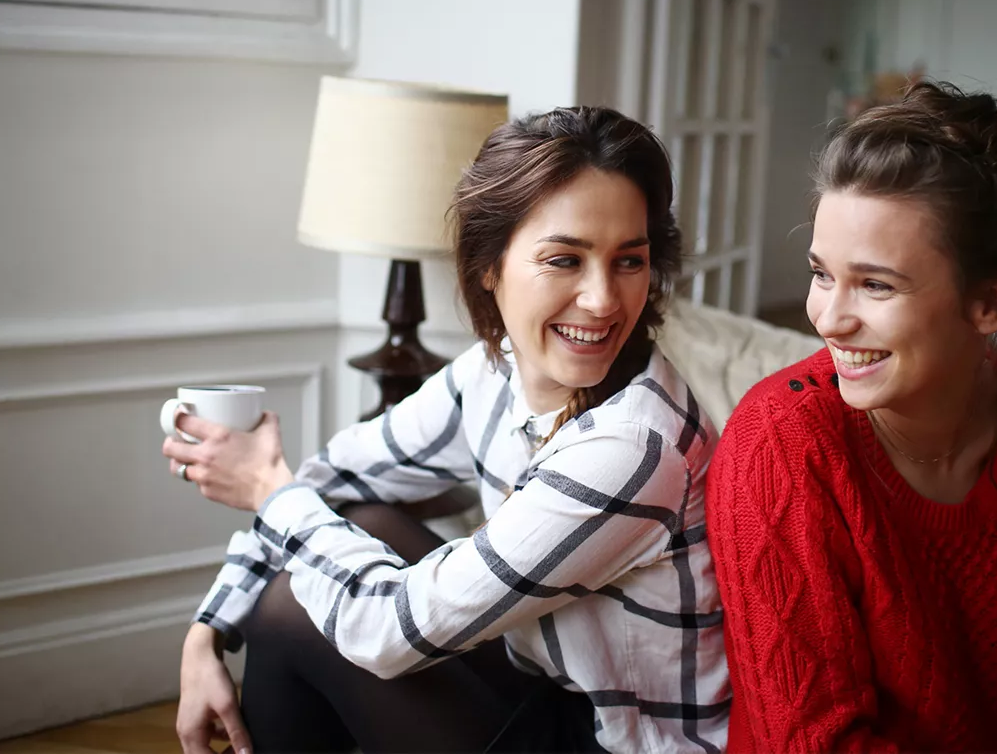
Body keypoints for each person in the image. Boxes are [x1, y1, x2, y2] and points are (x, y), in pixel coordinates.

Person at [163, 106, 729, 754]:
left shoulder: (634, 445)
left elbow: (388, 629)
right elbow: (333, 476)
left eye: (629, 260)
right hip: (555, 697)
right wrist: (205, 633)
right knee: (356, 517)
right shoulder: (496, 370)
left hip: (622, 743)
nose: (603, 299)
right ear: (490, 266)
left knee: (299, 606)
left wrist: (267, 486)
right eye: (565, 259)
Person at [706, 81, 997, 752]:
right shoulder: (781, 441)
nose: (828, 316)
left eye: (875, 283)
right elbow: (816, 744)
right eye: (822, 274)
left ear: (992, 303)